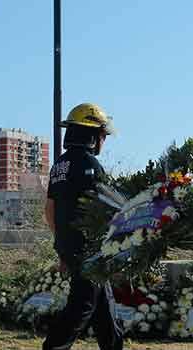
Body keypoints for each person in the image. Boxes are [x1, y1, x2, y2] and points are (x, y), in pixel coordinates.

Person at [42, 103, 123, 350]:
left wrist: (63, 246)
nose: (103, 141)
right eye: (102, 136)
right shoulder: (90, 165)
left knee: (104, 307)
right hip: (89, 250)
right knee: (83, 304)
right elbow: (104, 210)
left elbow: (50, 210)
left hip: (71, 245)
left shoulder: (60, 165)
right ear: (92, 135)